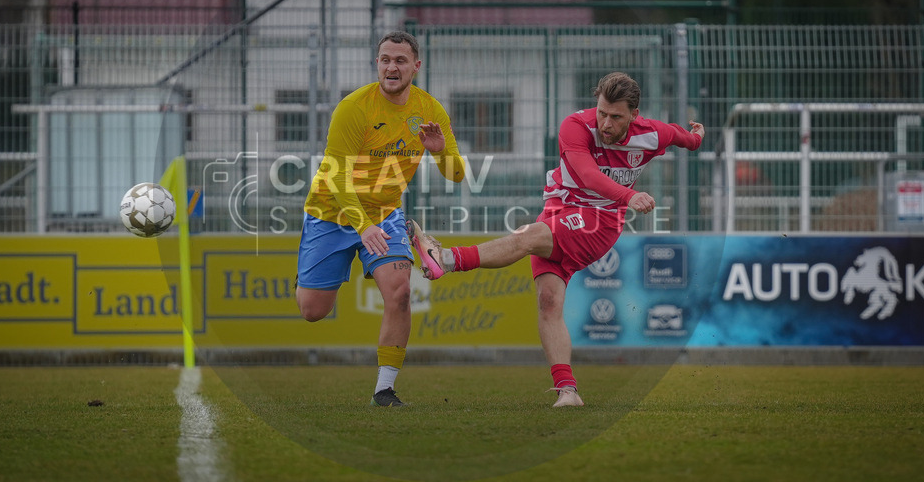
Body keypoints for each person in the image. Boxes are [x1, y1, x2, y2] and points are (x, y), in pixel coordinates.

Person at [406, 72, 704, 408]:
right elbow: (586, 174)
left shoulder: (651, 134)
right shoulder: (575, 126)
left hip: (599, 222)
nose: (605, 123)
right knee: (548, 302)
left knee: (530, 237)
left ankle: (446, 259)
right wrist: (629, 195)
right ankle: (568, 391)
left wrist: (695, 137)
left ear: (634, 115)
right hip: (559, 207)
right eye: (602, 112)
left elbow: (680, 137)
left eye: (616, 116)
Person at [296, 31, 465, 407]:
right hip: (331, 211)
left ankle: (384, 390)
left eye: (400, 60)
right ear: (377, 64)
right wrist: (362, 226)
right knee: (312, 311)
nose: (392, 66)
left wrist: (440, 152)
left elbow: (457, 175)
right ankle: (314, 270)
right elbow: (337, 177)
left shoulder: (431, 110)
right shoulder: (354, 108)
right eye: (385, 59)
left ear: (416, 67)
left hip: (386, 213)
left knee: (401, 292)